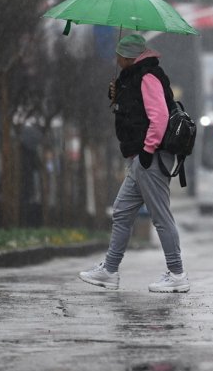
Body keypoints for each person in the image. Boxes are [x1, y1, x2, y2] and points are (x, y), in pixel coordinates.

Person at [79, 34, 190, 293]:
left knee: (161, 216)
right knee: (121, 212)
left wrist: (148, 151)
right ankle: (109, 270)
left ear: (129, 57)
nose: (116, 60)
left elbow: (159, 117)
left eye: (119, 55)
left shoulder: (148, 76)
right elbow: (136, 111)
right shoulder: (134, 77)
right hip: (140, 158)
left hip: (149, 157)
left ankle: (177, 274)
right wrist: (117, 96)